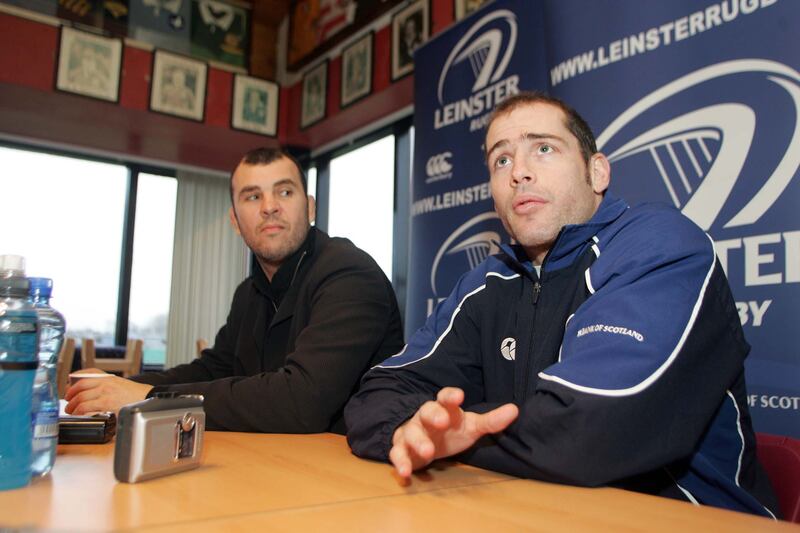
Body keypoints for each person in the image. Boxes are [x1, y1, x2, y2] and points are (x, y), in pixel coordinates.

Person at [344, 92, 779, 517]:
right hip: (538, 510)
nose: (519, 172)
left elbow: (589, 432)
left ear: (597, 172)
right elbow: (376, 396)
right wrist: (414, 428)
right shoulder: (486, 282)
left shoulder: (659, 245)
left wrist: (460, 435)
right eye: (501, 160)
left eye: (544, 149)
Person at [66, 147, 404, 434]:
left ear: (311, 208)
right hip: (278, 464)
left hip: (350, 473)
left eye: (285, 192)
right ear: (235, 221)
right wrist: (116, 388)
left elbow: (303, 401)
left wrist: (147, 398)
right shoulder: (249, 292)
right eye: (253, 196)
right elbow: (214, 370)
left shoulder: (349, 273)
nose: (269, 206)